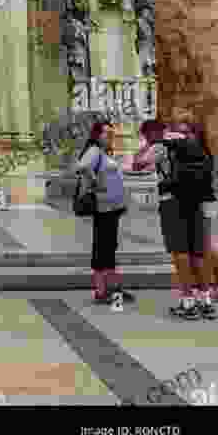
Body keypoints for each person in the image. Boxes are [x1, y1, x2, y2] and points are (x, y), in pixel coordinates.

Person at [133, 118, 216, 319]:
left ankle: (187, 303)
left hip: (173, 202)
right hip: (197, 200)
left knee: (180, 252)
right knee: (199, 251)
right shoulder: (192, 142)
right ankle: (205, 301)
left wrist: (147, 146)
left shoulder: (160, 145)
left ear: (149, 133)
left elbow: (137, 165)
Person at [76, 120, 135, 305]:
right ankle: (102, 291)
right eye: (106, 133)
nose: (110, 137)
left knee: (109, 247)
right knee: (103, 248)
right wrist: (94, 183)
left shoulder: (104, 152)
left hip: (112, 208)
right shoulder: (94, 150)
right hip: (103, 208)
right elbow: (82, 166)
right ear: (97, 135)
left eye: (112, 134)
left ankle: (112, 288)